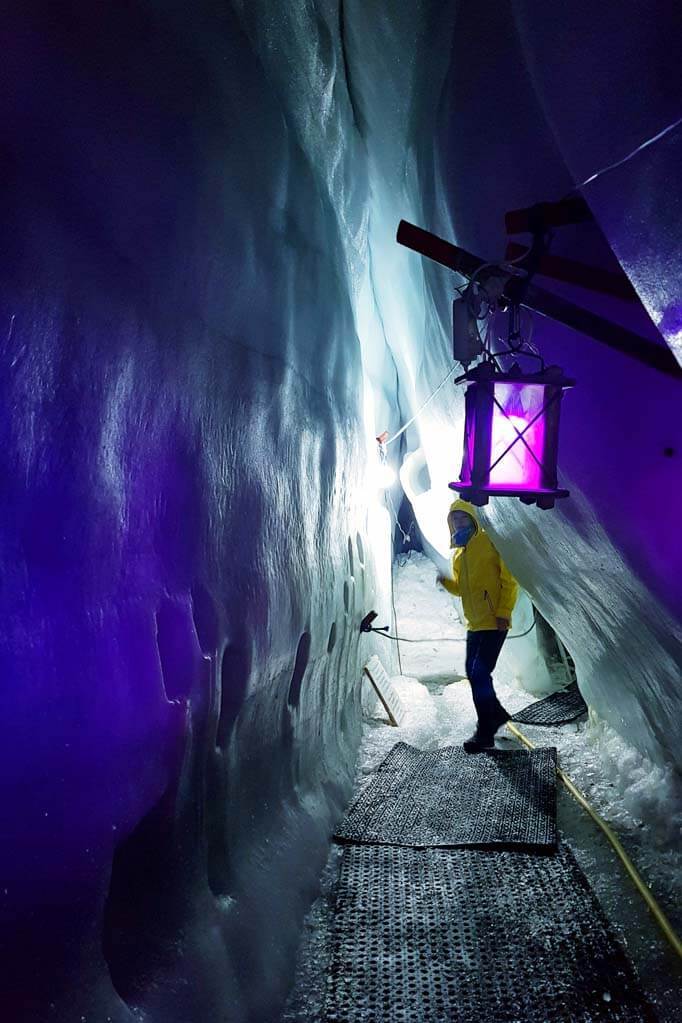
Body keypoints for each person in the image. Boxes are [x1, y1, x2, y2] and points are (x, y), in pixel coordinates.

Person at [438, 499, 518, 752]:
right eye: (455, 520)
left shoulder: (488, 541)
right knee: (474, 673)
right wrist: (446, 583)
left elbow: (509, 578)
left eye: (463, 518)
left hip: (494, 621)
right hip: (475, 625)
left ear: (473, 519)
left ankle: (486, 730)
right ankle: (494, 714)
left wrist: (504, 612)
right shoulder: (460, 555)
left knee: (479, 673)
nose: (459, 523)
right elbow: (464, 589)